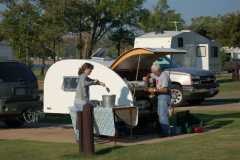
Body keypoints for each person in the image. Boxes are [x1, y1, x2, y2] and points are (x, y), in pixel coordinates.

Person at [69, 63, 105, 141]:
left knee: (80, 119)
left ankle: (80, 137)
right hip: (81, 101)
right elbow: (85, 83)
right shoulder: (83, 76)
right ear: (86, 69)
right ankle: (83, 137)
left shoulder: (84, 76)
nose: (91, 71)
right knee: (84, 119)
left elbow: (91, 80)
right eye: (90, 70)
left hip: (80, 101)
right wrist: (94, 82)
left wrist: (99, 83)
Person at [144, 63, 171, 136]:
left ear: (158, 70)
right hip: (160, 96)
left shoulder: (164, 76)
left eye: (155, 72)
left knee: (162, 115)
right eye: (153, 72)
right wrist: (146, 79)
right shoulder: (156, 74)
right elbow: (149, 74)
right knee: (160, 114)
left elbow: (165, 90)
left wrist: (154, 90)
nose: (154, 74)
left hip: (164, 96)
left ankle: (165, 132)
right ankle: (164, 131)